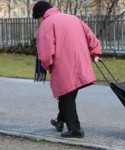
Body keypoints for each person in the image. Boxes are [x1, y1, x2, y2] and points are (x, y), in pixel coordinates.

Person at [32, 0, 102, 138]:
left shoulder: (46, 24)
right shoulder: (73, 18)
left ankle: (75, 130)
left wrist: (48, 65)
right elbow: (91, 37)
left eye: (37, 19)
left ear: (40, 16)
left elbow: (45, 53)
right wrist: (95, 52)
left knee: (66, 97)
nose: (38, 22)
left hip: (63, 66)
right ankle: (60, 121)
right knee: (67, 93)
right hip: (81, 63)